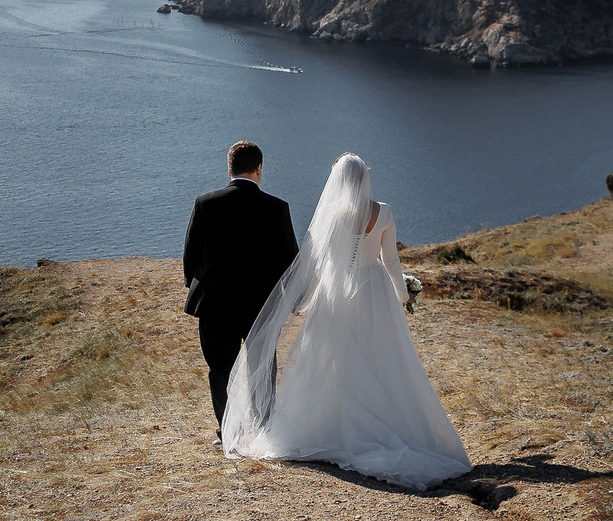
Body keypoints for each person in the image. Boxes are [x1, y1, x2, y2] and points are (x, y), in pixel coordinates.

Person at [222, 153, 471, 491]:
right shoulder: (383, 211)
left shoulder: (332, 215)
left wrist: (305, 301)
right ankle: (384, 421)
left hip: (336, 293)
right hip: (375, 291)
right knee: (380, 355)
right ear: (365, 178)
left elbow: (318, 263)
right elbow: (391, 259)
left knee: (331, 358)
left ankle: (335, 424)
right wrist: (403, 294)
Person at [182, 141, 300, 431]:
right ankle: (264, 429)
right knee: (261, 369)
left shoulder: (205, 204)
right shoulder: (276, 209)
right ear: (259, 169)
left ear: (229, 167)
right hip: (260, 305)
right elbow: (290, 263)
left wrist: (197, 288)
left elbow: (190, 257)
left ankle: (228, 432)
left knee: (220, 370)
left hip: (214, 306)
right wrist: (296, 300)